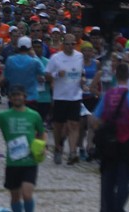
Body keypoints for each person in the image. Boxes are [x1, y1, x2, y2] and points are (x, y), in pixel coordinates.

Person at [0, 86, 46, 212]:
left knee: (27, 193)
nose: (17, 98)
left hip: (30, 161)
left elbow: (42, 132)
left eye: (19, 95)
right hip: (13, 162)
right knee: (15, 196)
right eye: (14, 96)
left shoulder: (34, 115)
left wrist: (42, 145)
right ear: (10, 98)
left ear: (25, 97)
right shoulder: (4, 116)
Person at [91, 62, 129, 212]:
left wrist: (104, 127)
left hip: (108, 143)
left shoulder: (108, 95)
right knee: (124, 181)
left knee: (108, 180)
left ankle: (109, 208)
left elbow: (95, 119)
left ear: (115, 76)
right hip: (127, 142)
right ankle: (118, 209)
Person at [45, 33, 84, 165]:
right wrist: (56, 74)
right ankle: (58, 148)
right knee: (59, 126)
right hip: (60, 96)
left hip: (75, 96)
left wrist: (83, 79)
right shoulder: (56, 58)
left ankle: (73, 152)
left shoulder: (80, 56)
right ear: (63, 44)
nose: (70, 46)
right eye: (67, 44)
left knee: (74, 124)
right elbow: (47, 75)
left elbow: (81, 72)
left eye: (72, 44)